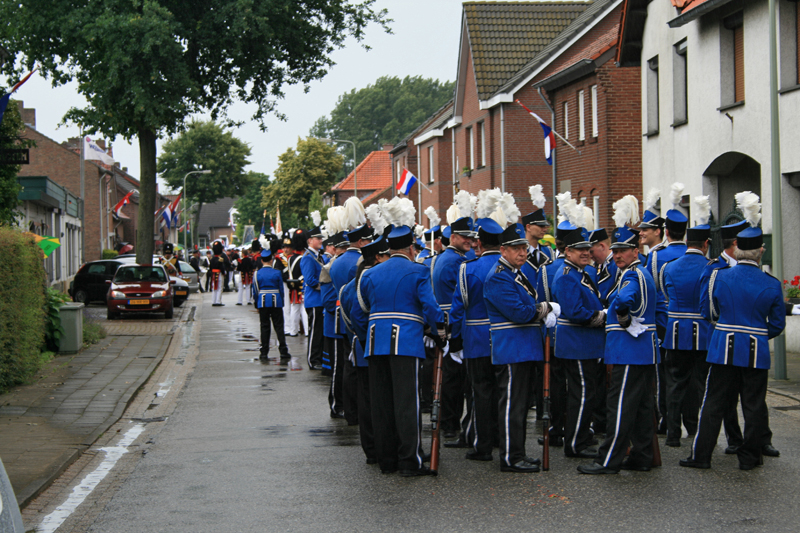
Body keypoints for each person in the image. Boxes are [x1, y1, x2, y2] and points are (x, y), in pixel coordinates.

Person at [682, 193, 785, 471]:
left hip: (722, 345)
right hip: (756, 349)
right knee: (753, 406)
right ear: (760, 251)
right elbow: (776, 324)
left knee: (713, 403)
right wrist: (758, 335)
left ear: (737, 250)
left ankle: (701, 456)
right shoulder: (772, 284)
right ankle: (749, 459)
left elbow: (709, 312)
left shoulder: (719, 275)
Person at [358, 221, 446, 477]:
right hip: (405, 342)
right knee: (407, 404)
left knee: (382, 404)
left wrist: (368, 339)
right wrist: (440, 331)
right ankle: (409, 460)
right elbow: (430, 308)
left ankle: (387, 460)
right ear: (410, 247)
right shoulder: (417, 271)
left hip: (375, 343)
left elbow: (360, 311)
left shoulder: (370, 273)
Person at [579, 196, 659, 475]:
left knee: (620, 406)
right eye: (615, 251)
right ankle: (642, 455)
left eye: (623, 251)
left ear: (635, 251)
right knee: (641, 407)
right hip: (643, 350)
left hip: (628, 350)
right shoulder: (642, 271)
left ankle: (608, 459)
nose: (617, 256)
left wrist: (621, 314)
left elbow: (624, 300)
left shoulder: (631, 276)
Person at [485, 223, 558, 473]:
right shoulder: (498, 276)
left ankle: (518, 453)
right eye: (516, 249)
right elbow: (519, 312)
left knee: (521, 405)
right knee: (512, 406)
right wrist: (545, 309)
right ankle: (510, 457)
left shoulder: (516, 274)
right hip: (511, 348)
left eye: (524, 248)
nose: (523, 253)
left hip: (524, 348)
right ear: (503, 250)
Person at [449, 217, 503, 462]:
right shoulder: (510, 267)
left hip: (476, 338)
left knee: (480, 392)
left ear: (480, 242)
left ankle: (483, 444)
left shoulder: (467, 267)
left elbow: (458, 308)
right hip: (504, 337)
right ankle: (503, 438)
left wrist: (456, 338)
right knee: (504, 392)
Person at [661, 205, 712, 447]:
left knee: (674, 383)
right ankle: (693, 428)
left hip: (676, 332)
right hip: (703, 334)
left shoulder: (668, 267)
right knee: (697, 383)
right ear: (705, 244)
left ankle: (672, 433)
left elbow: (665, 294)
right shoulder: (711, 268)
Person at [553, 227, 606, 459]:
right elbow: (574, 311)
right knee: (582, 394)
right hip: (576, 342)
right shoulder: (567, 275)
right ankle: (575, 443)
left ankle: (582, 436)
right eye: (580, 250)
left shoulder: (580, 273)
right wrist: (602, 316)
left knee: (586, 393)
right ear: (568, 251)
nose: (586, 253)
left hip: (584, 343)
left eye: (587, 249)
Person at [340, 236, 391, 465]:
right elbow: (359, 319)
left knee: (367, 402)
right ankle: (381, 448)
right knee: (379, 402)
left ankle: (371, 448)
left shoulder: (349, 286)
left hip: (360, 347)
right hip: (372, 347)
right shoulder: (371, 282)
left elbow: (348, 320)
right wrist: (366, 340)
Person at [431, 211, 476, 447]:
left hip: (448, 321)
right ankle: (450, 423)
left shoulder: (446, 257)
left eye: (471, 237)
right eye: (465, 237)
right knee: (456, 379)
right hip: (455, 323)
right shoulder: (457, 261)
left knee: (452, 377)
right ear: (454, 236)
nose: (470, 240)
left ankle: (449, 422)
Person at [252, 248, 290, 361]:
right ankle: (283, 351)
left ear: (262, 260)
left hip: (262, 301)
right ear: (271, 260)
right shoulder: (277, 272)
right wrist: (282, 302)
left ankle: (264, 352)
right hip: (276, 301)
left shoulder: (257, 273)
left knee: (264, 327)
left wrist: (256, 304)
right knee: (279, 327)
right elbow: (281, 290)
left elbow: (255, 291)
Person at [299, 226, 325, 370]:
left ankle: (318, 358)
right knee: (315, 332)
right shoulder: (309, 257)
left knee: (319, 332)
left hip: (319, 300)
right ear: (310, 241)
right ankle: (312, 359)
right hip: (314, 299)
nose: (321, 240)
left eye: (321, 238)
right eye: (318, 238)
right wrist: (326, 286)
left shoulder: (316, 255)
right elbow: (311, 280)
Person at [284, 235, 308, 337]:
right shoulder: (303, 258)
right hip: (301, 286)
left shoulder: (289, 258)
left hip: (293, 286)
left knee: (294, 309)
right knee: (303, 309)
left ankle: (293, 331)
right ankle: (307, 331)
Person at [209, 241, 226, 306]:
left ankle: (213, 301)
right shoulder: (220, 259)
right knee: (219, 288)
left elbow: (210, 267)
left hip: (213, 274)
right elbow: (222, 267)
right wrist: (224, 273)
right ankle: (218, 301)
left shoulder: (212, 259)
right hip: (219, 274)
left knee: (214, 288)